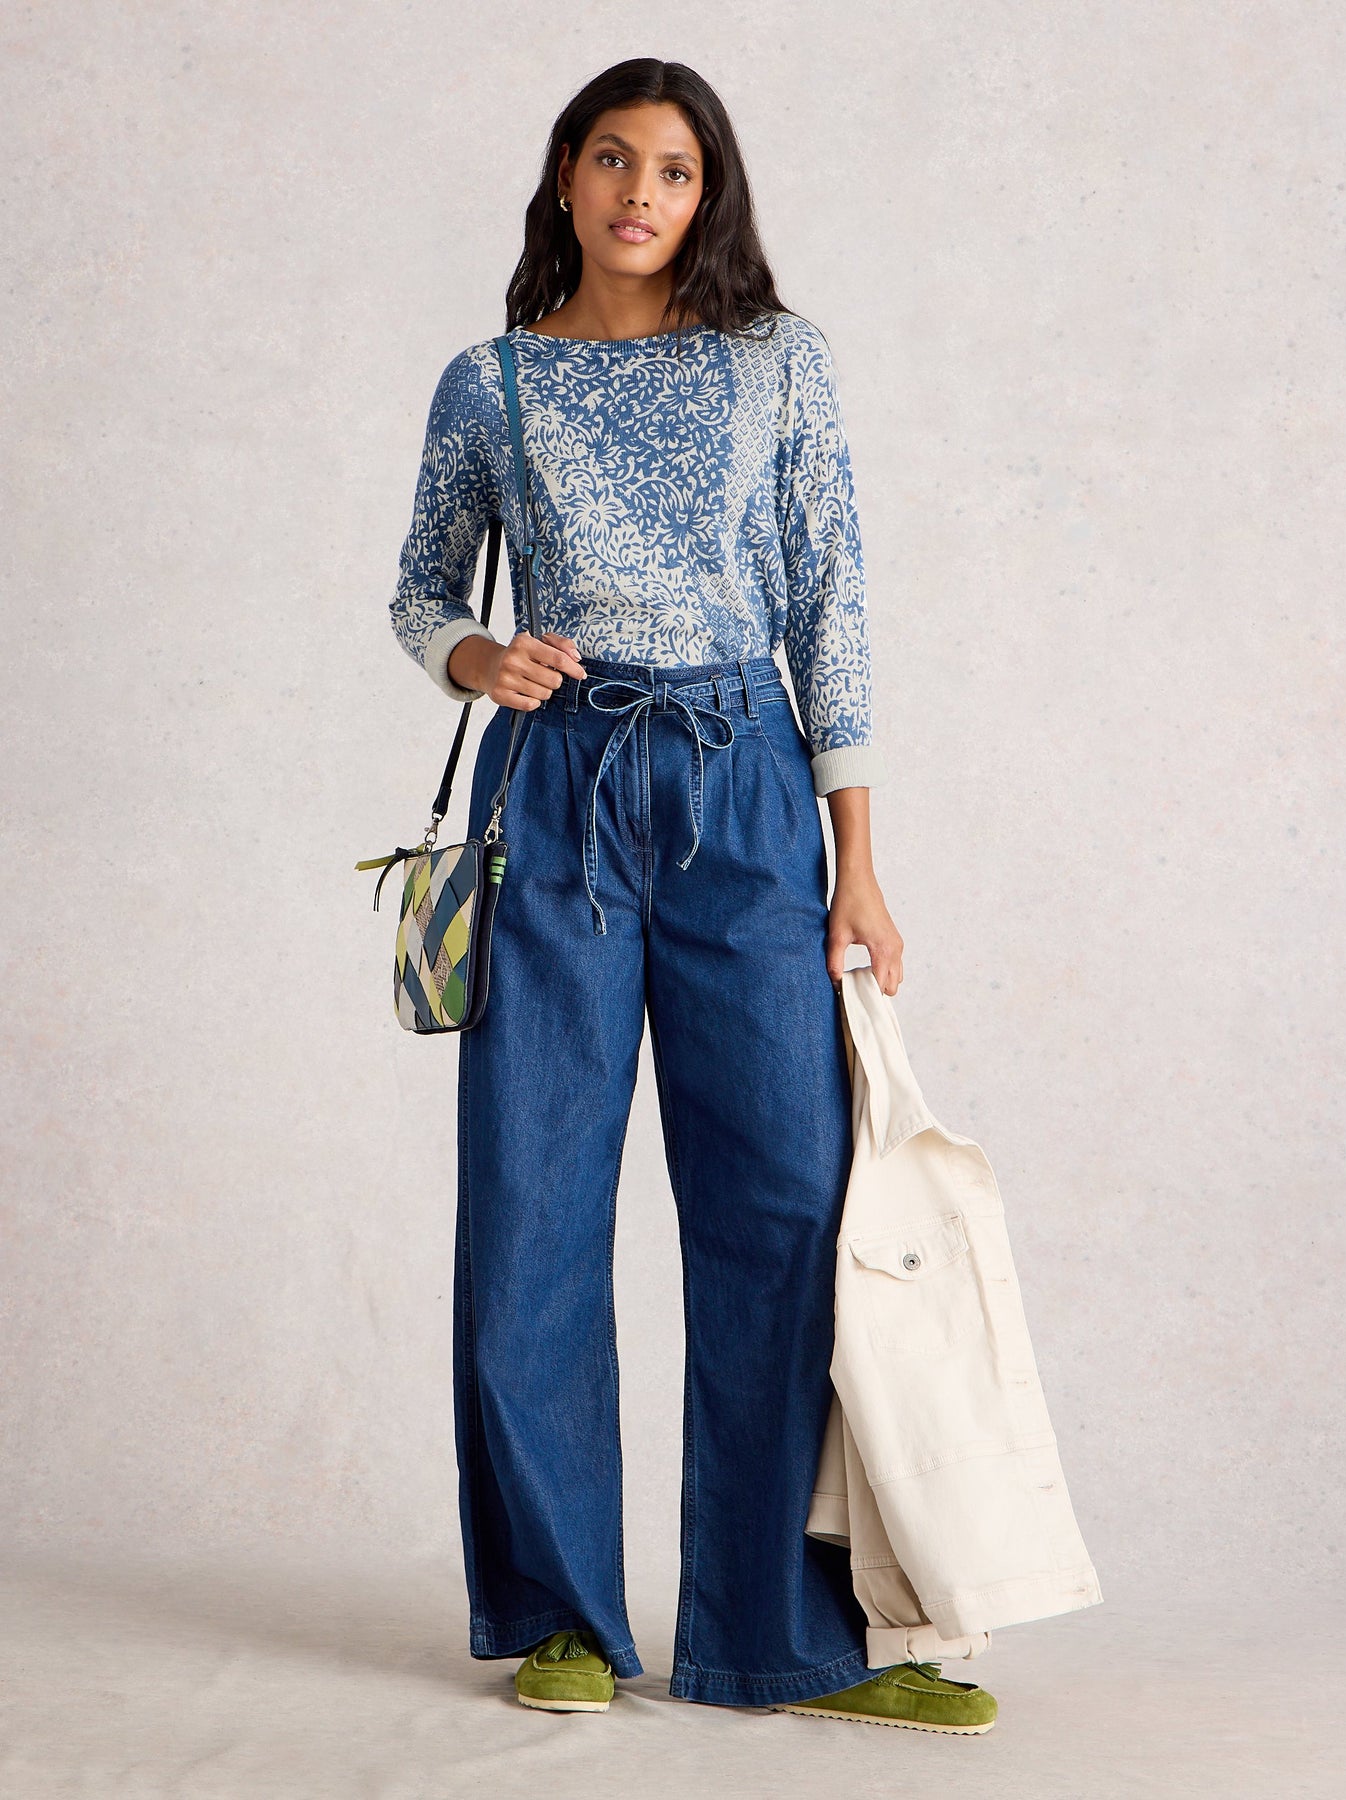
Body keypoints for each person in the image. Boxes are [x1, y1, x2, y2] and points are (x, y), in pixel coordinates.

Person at [388, 56, 998, 1736]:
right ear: (565, 178)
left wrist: (857, 859)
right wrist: (474, 658)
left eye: (673, 168)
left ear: (706, 193)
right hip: (556, 793)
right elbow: (421, 586)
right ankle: (560, 1617)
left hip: (743, 787)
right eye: (612, 159)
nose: (640, 193)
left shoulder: (777, 361)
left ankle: (785, 1638)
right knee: (530, 1206)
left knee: (784, 1206)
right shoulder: (493, 381)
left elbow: (830, 600)